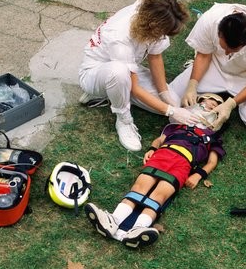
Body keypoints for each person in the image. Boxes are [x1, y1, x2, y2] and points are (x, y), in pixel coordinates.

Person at [84, 93, 226, 248]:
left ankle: (138, 229)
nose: (212, 104)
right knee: (138, 189)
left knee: (158, 196)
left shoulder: (213, 136)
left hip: (183, 163)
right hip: (162, 154)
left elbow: (212, 161)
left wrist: (199, 175)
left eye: (217, 105)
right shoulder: (178, 125)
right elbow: (160, 140)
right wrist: (152, 149)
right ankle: (113, 220)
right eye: (208, 101)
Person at [78, 0, 199, 152]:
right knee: (118, 73)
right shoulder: (119, 35)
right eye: (161, 33)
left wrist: (165, 95)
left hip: (128, 69)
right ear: (152, 26)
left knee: (175, 105)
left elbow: (155, 57)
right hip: (96, 72)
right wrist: (170, 110)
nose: (163, 37)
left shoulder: (153, 12)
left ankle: (114, 94)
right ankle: (123, 120)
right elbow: (134, 87)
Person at [169, 3, 246, 131]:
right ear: (219, 33)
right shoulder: (210, 19)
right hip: (214, 65)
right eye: (224, 47)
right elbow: (204, 55)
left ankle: (221, 97)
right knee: (172, 99)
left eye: (232, 50)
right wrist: (192, 85)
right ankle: (200, 85)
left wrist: (230, 104)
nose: (226, 53)